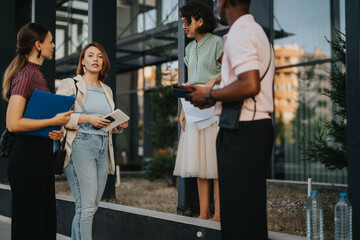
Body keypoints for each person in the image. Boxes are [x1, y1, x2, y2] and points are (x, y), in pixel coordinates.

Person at [188, 0, 275, 239]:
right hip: (250, 126)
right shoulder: (255, 31)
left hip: (243, 129)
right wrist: (212, 99)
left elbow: (249, 84)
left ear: (224, 1)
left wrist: (209, 93)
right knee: (248, 212)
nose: (216, 5)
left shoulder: (241, 33)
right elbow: (243, 84)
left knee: (237, 214)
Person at [2, 22, 72, 240]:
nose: (54, 45)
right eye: (50, 41)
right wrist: (52, 119)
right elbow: (13, 124)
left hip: (39, 158)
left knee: (42, 223)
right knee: (29, 226)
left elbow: (37, 120)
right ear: (38, 45)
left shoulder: (38, 75)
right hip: (27, 160)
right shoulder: (25, 76)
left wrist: (55, 129)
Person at [56, 42, 128, 240]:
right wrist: (87, 118)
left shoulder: (107, 90)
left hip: (103, 147)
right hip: (80, 145)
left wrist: (117, 125)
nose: (95, 59)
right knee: (86, 207)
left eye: (100, 56)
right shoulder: (71, 84)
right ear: (83, 61)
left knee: (90, 206)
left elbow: (104, 123)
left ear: (104, 62)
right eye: (90, 55)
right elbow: (58, 117)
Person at [173, 0, 223, 221]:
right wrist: (183, 110)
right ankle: (203, 214)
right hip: (192, 109)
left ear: (200, 21)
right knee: (199, 165)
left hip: (213, 107)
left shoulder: (218, 43)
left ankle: (219, 215)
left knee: (215, 166)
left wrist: (215, 79)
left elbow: (231, 71)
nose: (184, 26)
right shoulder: (189, 48)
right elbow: (190, 80)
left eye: (187, 22)